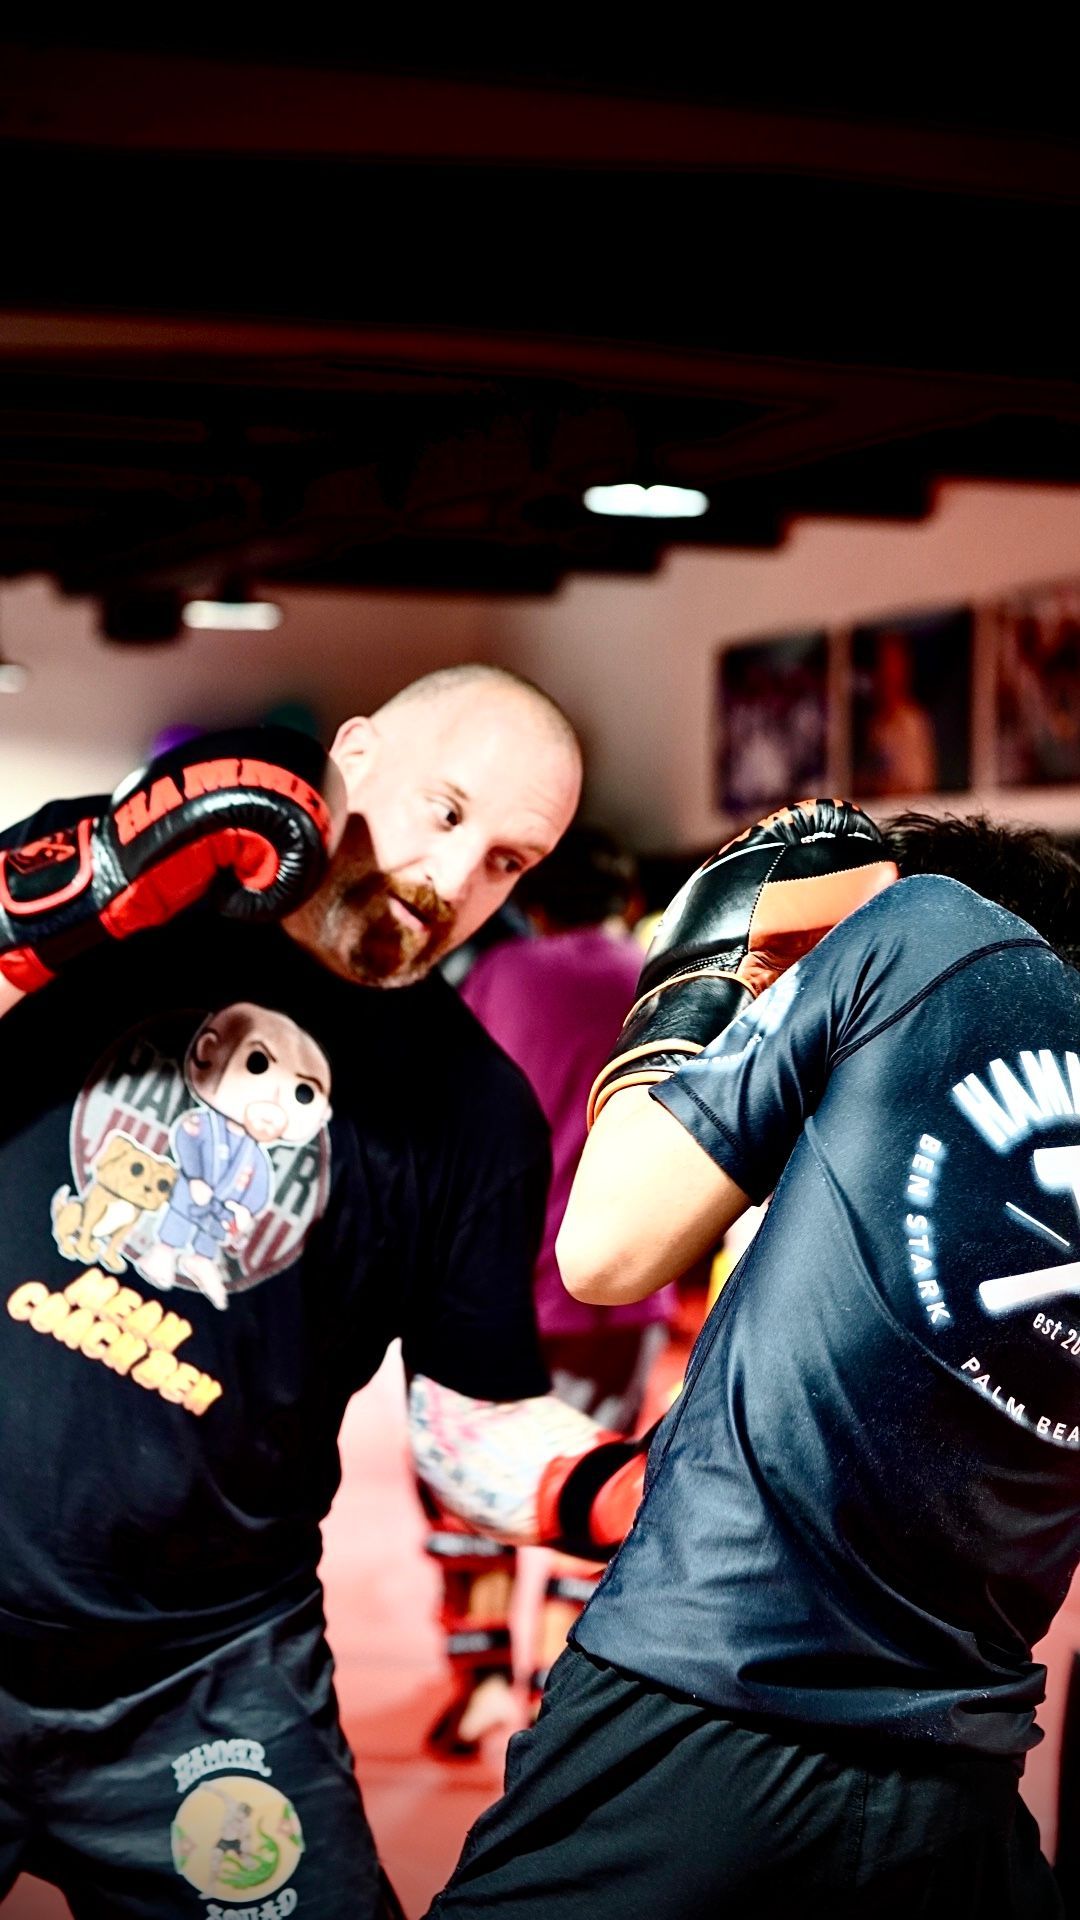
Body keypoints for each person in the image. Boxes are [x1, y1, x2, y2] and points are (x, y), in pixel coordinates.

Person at [0, 665, 652, 1920]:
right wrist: (75, 898)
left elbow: (468, 1420)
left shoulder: (477, 1116)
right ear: (353, 749)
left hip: (204, 1677)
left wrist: (631, 1492)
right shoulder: (121, 913)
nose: (454, 881)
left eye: (508, 861)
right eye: (446, 812)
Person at [427, 802, 1080, 1919]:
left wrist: (705, 960)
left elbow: (607, 1248)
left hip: (693, 1718)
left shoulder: (919, 927)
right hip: (962, 1774)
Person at [422, 828, 679, 1754]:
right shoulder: (662, 978)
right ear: (621, 897)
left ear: (536, 898)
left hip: (497, 1276)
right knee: (598, 1482)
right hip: (623, 1282)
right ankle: (560, 1701)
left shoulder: (502, 975)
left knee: (467, 1488)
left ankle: (485, 1683)